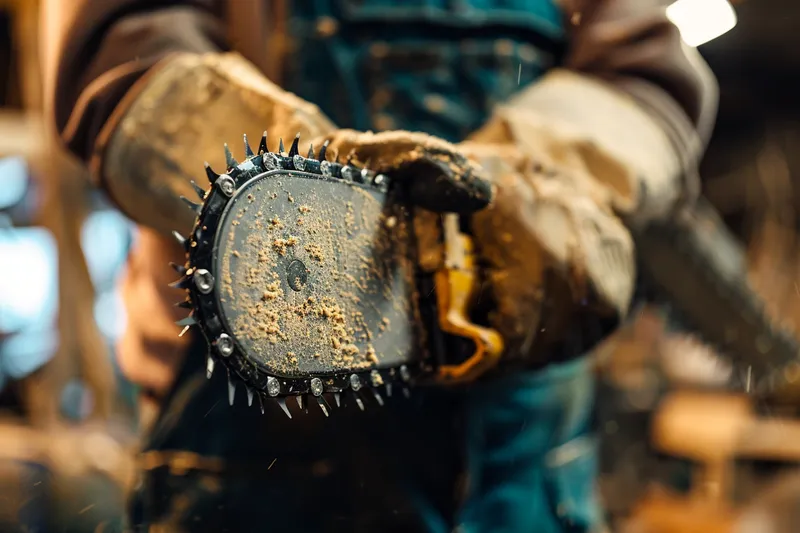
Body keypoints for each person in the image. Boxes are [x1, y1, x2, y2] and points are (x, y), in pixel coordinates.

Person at [42, 1, 717, 531]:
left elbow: (646, 71)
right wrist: (316, 197)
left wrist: (540, 188)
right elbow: (121, 46)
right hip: (256, 472)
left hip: (530, 472)